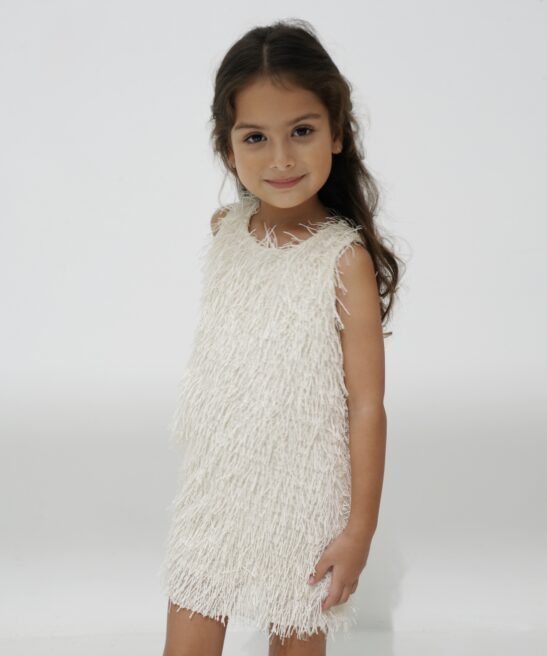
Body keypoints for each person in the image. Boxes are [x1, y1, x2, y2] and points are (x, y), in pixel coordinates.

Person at [160, 18, 403, 656]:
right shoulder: (226, 230)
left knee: (295, 642)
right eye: (256, 138)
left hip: (302, 498)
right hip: (216, 489)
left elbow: (367, 404)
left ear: (337, 131)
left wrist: (359, 531)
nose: (282, 159)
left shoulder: (341, 259)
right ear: (227, 148)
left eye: (301, 131)